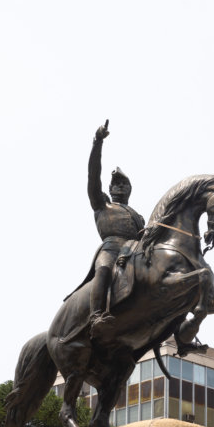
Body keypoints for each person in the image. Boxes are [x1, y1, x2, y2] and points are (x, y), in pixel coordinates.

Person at [85, 120, 145, 332]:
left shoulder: (138, 217)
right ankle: (96, 316)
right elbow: (93, 175)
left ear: (130, 189)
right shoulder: (102, 204)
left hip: (134, 251)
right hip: (110, 249)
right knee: (102, 270)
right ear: (109, 189)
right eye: (115, 184)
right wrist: (97, 143)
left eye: (123, 183)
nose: (119, 186)